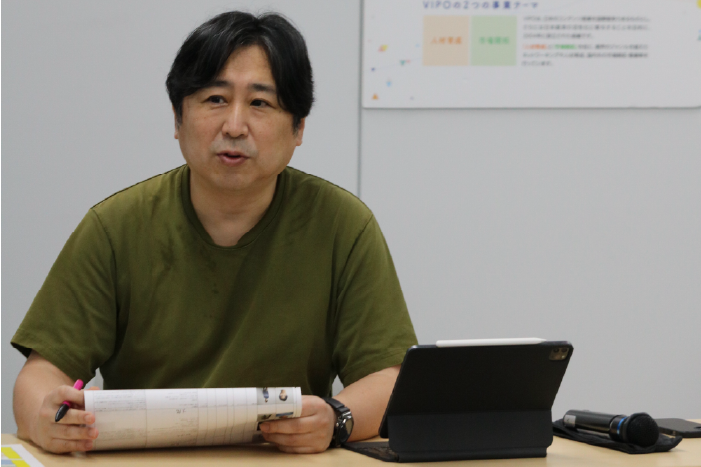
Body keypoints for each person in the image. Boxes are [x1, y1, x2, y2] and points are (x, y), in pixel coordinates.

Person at [11, 11, 417, 455]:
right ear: (178, 118)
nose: (234, 126)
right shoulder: (115, 228)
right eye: (215, 99)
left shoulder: (342, 225)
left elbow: (389, 377)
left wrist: (337, 418)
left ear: (298, 127)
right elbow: (40, 376)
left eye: (260, 103)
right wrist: (46, 419)